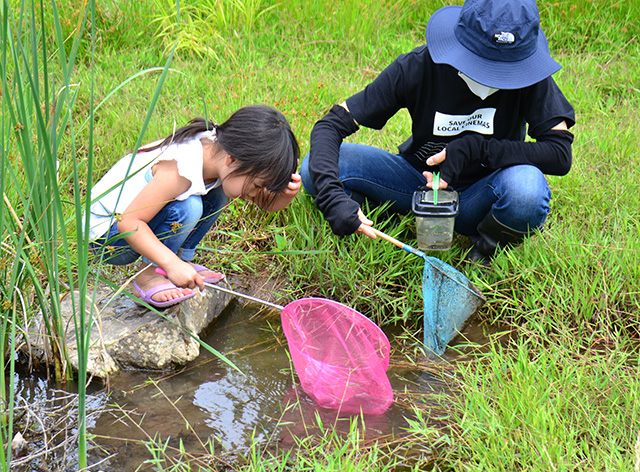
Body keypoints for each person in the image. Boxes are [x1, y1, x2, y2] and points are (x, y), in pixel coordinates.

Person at [300, 0, 575, 264]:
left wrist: (478, 149)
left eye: (505, 70)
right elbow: (331, 125)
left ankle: (487, 248)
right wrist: (334, 198)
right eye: (486, 65)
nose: (495, 77)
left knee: (527, 190)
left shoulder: (529, 76)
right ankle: (388, 221)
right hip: (415, 182)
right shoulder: (419, 66)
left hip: (483, 194)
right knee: (313, 170)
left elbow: (559, 153)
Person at [88, 105, 300, 307]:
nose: (254, 194)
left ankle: (179, 261)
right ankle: (149, 275)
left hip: (130, 226)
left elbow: (264, 203)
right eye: (256, 186)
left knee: (217, 195)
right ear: (232, 159)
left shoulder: (217, 151)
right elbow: (129, 222)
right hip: (107, 237)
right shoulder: (180, 171)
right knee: (188, 207)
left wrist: (285, 196)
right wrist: (170, 265)